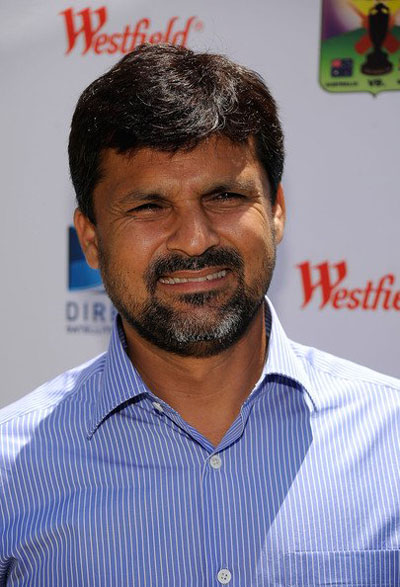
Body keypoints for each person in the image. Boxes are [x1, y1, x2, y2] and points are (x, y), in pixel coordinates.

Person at [0, 44, 399, 587]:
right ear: (90, 239)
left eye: (225, 196)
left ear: (276, 210)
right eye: (149, 207)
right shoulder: (12, 473)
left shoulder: (390, 439)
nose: (194, 240)